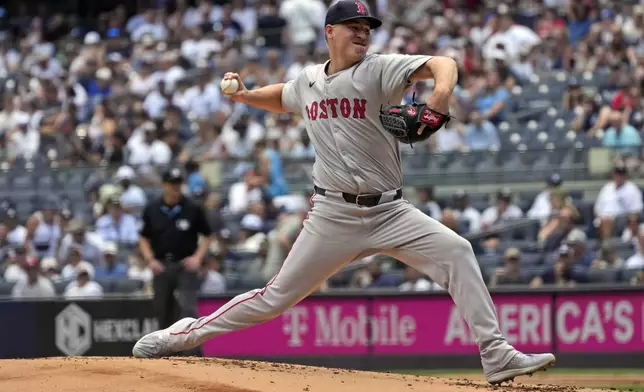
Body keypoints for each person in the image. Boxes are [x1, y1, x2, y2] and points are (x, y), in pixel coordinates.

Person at [133, 1, 555, 384]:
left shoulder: (379, 69)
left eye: (366, 27)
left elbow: (442, 63)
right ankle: (182, 335)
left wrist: (441, 95)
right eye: (352, 26)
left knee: (459, 250)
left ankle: (495, 354)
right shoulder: (309, 80)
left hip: (391, 212)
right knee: (274, 298)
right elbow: (282, 96)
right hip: (333, 216)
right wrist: (245, 95)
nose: (362, 33)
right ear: (329, 32)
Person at [137, 167, 213, 354]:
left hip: (184, 265)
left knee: (187, 307)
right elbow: (143, 238)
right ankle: (165, 354)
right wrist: (150, 260)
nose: (175, 188)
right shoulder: (152, 208)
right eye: (172, 184)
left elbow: (208, 235)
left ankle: (194, 353)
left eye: (178, 184)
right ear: (164, 185)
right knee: (163, 310)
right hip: (161, 265)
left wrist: (197, 257)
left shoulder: (192, 208)